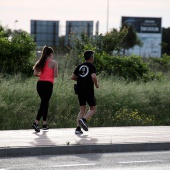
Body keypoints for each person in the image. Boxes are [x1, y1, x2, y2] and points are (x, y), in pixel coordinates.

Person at [71, 50, 99, 134]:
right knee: (93, 109)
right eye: (93, 57)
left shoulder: (79, 66)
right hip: (88, 90)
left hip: (79, 90)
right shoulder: (91, 66)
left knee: (82, 109)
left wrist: (80, 79)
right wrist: (96, 84)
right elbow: (93, 76)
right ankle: (83, 120)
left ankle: (78, 129)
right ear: (91, 57)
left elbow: (72, 77)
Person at [32, 46, 58, 132]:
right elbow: (55, 75)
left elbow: (35, 73)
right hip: (48, 84)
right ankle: (36, 122)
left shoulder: (40, 62)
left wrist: (42, 75)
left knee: (45, 102)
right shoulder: (54, 63)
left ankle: (44, 123)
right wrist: (48, 75)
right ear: (51, 54)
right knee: (44, 103)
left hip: (39, 84)